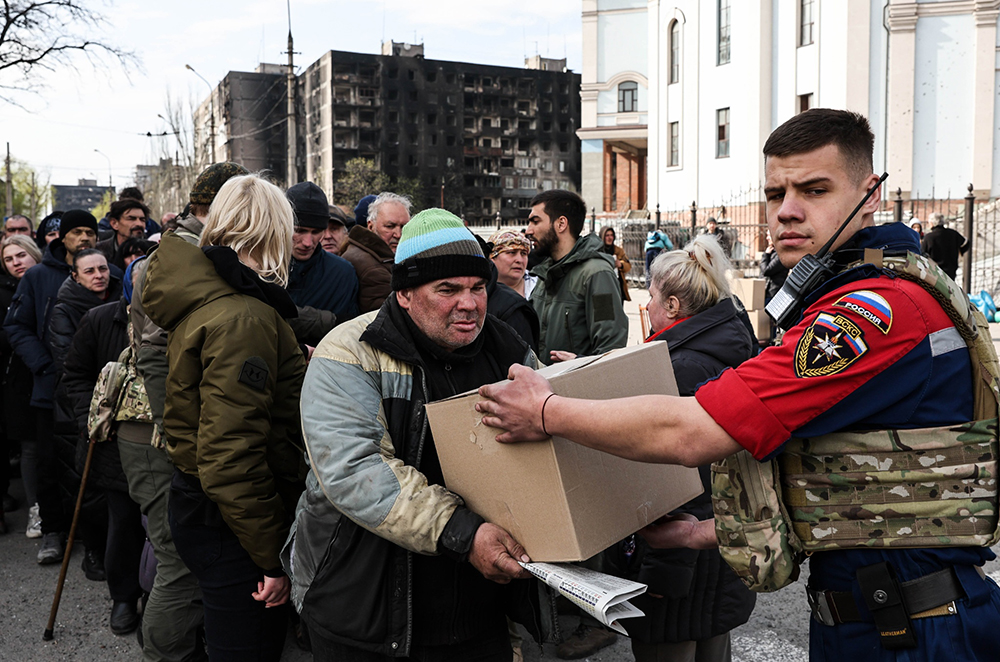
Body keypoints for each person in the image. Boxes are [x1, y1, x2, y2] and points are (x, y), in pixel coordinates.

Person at [477, 108, 1000, 661]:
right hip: (887, 613)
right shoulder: (882, 288)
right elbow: (852, 483)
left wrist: (545, 411)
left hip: (910, 630)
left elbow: (694, 432)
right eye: (776, 194)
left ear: (870, 194)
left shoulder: (875, 311)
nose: (788, 213)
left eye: (815, 190)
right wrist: (703, 534)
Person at [284, 208, 540, 661]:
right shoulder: (348, 353)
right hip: (362, 609)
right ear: (403, 294)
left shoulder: (511, 350)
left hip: (478, 611)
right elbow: (355, 470)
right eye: (447, 289)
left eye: (478, 287)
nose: (469, 303)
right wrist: (464, 534)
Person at [142, 173, 306, 662]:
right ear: (275, 230)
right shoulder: (242, 317)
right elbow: (229, 456)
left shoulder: (214, 297)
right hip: (234, 521)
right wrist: (270, 555)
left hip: (208, 507)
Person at [603, 234, 756, 662]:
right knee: (711, 644)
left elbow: (650, 453)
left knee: (669, 646)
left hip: (676, 549)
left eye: (651, 297)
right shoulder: (728, 346)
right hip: (720, 542)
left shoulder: (676, 367)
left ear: (672, 306)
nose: (646, 307)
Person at [126, 160, 248, 662]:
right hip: (155, 436)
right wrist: (188, 449)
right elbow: (161, 364)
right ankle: (165, 651)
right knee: (177, 559)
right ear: (219, 208)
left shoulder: (192, 251)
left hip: (167, 433)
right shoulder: (183, 259)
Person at [4, 209, 115, 564]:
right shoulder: (37, 276)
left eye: (89, 232)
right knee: (49, 463)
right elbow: (17, 326)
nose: (83, 237)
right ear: (60, 237)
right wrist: (43, 364)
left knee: (90, 466)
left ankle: (93, 535)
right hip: (49, 386)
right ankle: (54, 531)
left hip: (94, 390)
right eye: (76, 232)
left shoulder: (104, 274)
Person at [61, 283, 145, 635]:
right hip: (113, 445)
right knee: (123, 523)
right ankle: (123, 597)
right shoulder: (98, 320)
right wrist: (90, 417)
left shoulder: (176, 316)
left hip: (160, 444)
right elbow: (75, 373)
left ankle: (163, 604)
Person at [527, 190, 628, 363]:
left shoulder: (597, 275)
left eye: (535, 221)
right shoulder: (545, 273)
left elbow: (610, 348)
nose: (529, 230)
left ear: (561, 224)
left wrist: (578, 363)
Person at [0, 235, 42, 535]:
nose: (16, 262)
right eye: (9, 259)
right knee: (29, 445)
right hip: (17, 378)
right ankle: (36, 508)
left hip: (53, 374)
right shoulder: (4, 293)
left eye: (21, 255)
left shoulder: (55, 280)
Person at [285, 181, 359, 325]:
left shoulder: (342, 274)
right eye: (300, 231)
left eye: (316, 232)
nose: (308, 242)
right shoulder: (261, 267)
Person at [340, 191, 411, 313]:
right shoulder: (373, 269)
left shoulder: (376, 256)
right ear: (371, 226)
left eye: (404, 227)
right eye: (390, 226)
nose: (398, 234)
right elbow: (390, 317)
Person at [97, 199, 151, 270]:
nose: (139, 224)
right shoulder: (99, 252)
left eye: (142, 220)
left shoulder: (153, 251)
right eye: (131, 219)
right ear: (114, 223)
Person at [488, 230, 537, 299]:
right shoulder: (480, 289)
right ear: (493, 258)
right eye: (511, 253)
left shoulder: (540, 288)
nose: (519, 260)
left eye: (523, 253)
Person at [920, 213, 968, 279]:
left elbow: (922, 254)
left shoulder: (929, 237)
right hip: (951, 270)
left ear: (931, 223)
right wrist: (960, 252)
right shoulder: (953, 233)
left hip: (935, 272)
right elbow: (966, 243)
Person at [598, 226, 632, 303]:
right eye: (607, 235)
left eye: (611, 235)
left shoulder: (618, 251)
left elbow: (628, 265)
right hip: (602, 286)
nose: (610, 238)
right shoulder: (598, 251)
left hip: (617, 286)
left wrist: (621, 264)